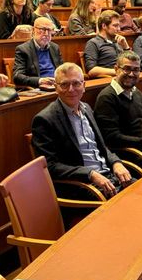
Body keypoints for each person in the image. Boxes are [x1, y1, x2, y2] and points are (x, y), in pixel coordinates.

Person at [31, 63, 132, 198]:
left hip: (109, 176)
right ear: (56, 88)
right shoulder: (44, 120)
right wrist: (90, 174)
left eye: (76, 83)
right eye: (64, 84)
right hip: (82, 185)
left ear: (83, 86)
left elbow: (101, 147)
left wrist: (116, 162)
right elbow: (50, 166)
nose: (71, 89)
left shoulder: (87, 109)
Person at [13, 17, 62, 89]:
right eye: (42, 29)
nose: (46, 34)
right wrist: (40, 80)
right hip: (38, 88)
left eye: (49, 30)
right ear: (33, 30)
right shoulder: (23, 49)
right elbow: (17, 77)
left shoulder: (55, 47)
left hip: (57, 86)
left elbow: (62, 70)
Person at [84, 12, 130, 77]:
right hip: (109, 79)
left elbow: (132, 63)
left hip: (125, 76)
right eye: (115, 26)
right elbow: (91, 70)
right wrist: (118, 72)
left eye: (119, 26)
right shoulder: (93, 43)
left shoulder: (119, 41)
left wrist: (126, 47)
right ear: (104, 26)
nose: (118, 29)